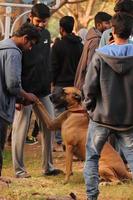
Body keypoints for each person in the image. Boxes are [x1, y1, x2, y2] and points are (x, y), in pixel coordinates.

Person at [83, 13, 133, 200]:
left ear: (112, 30)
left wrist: (91, 109)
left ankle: (91, 197)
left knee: (92, 158)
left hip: (101, 118)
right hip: (128, 120)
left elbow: (88, 89)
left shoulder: (100, 56)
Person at [12, 3, 62, 179]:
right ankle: (19, 170)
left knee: (51, 126)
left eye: (45, 22)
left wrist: (48, 82)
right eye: (39, 21)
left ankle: (48, 167)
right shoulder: (20, 35)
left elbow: (45, 61)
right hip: (24, 92)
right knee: (20, 130)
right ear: (31, 17)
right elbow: (16, 66)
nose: (42, 24)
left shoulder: (47, 34)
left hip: (43, 91)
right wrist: (18, 96)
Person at [0, 23, 40, 179]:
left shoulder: (2, 46)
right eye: (31, 44)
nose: (30, 48)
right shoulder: (14, 52)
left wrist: (17, 99)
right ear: (25, 38)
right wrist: (26, 96)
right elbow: (12, 84)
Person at [51, 16, 83, 146]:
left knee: (59, 113)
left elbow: (54, 66)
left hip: (61, 85)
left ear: (61, 28)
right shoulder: (80, 45)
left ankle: (60, 140)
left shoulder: (58, 45)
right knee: (74, 113)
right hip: (75, 85)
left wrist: (52, 83)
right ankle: (73, 138)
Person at [74, 12, 112, 90]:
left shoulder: (92, 37)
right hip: (88, 85)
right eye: (107, 23)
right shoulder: (96, 40)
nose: (110, 26)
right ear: (98, 25)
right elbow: (91, 66)